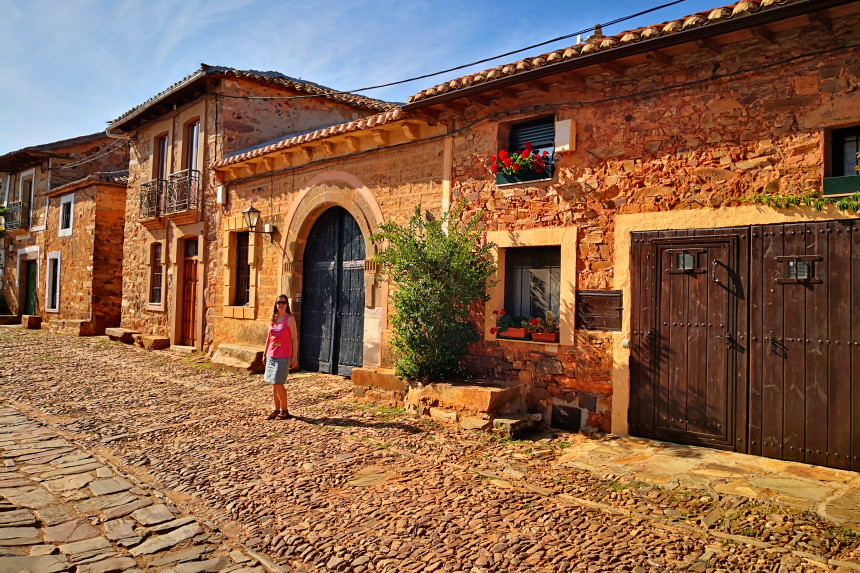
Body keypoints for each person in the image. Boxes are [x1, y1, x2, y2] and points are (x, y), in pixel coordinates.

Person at [263, 294, 299, 420]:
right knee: (273, 383)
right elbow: (269, 337)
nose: (281, 304)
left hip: (283, 355)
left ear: (286, 304)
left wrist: (294, 357)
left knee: (278, 382)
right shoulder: (273, 318)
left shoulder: (290, 319)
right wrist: (264, 353)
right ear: (276, 304)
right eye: (279, 302)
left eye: (283, 302)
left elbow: (294, 339)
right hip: (271, 354)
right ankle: (276, 409)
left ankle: (285, 410)